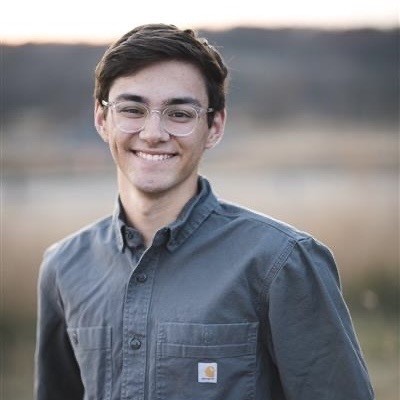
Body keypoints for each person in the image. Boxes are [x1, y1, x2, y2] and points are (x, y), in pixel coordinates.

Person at [35, 24, 374, 400]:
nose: (153, 133)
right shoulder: (63, 266)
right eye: (132, 109)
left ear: (214, 126)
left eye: (180, 114)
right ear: (102, 119)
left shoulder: (282, 262)